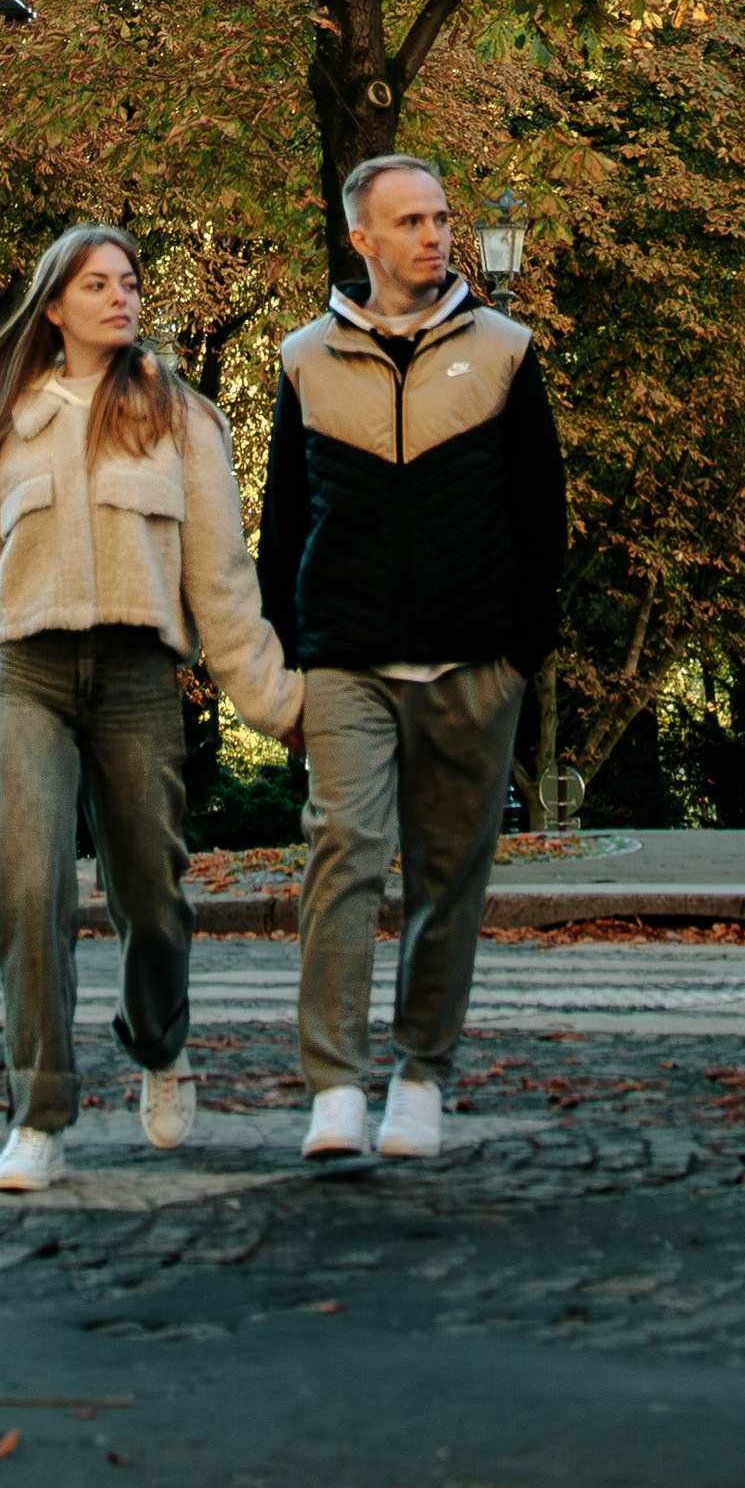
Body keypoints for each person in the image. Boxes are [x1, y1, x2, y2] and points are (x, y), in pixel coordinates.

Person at [0, 222, 303, 1193]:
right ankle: (38, 1115)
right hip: (28, 677)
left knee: (153, 896)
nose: (119, 296)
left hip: (139, 677)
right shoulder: (6, 424)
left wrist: (277, 701)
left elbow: (221, 577)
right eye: (96, 283)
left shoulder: (180, 416)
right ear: (55, 305)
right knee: (29, 890)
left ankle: (158, 1044)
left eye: (129, 282)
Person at [257, 155, 567, 1164]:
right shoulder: (305, 358)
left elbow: (542, 517)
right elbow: (283, 527)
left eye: (440, 217)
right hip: (344, 665)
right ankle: (334, 1088)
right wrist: (287, 665)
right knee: (341, 858)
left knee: (447, 879)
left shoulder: (506, 352)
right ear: (363, 239)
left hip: (473, 669)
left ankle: (421, 1074)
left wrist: (517, 657)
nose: (434, 234)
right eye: (410, 221)